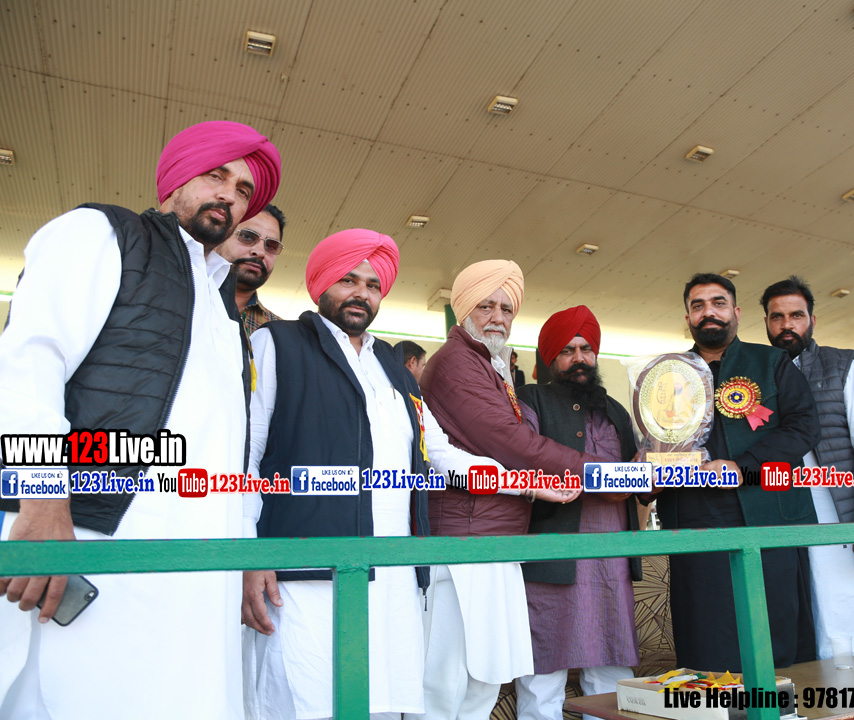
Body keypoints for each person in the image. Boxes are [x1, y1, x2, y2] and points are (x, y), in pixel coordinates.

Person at [0, 120, 281, 720]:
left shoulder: (224, 309)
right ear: (175, 179)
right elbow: (28, 363)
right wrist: (41, 499)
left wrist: (243, 547)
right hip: (100, 537)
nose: (228, 195)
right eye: (215, 175)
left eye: (242, 189)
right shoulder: (103, 234)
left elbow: (229, 447)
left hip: (200, 564)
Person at [241, 229, 501, 720]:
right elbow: (247, 455)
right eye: (348, 280)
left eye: (373, 285)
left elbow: (438, 451)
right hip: (307, 573)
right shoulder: (278, 344)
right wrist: (250, 556)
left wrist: (530, 483)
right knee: (308, 702)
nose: (361, 293)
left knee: (382, 704)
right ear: (321, 284)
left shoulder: (395, 370)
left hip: (394, 577)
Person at [415, 259, 600, 720]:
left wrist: (535, 485)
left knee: (482, 684)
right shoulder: (456, 361)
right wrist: (596, 471)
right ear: (463, 309)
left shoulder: (487, 363)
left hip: (492, 540)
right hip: (463, 543)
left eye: (506, 308)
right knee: (445, 686)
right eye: (486, 306)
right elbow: (510, 442)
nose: (497, 317)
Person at [659, 273, 820, 673]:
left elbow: (803, 427)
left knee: (775, 636)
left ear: (736, 312)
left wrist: (742, 466)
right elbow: (655, 441)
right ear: (687, 318)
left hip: (768, 516)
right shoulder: (669, 374)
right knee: (707, 639)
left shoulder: (772, 362)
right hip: (695, 521)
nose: (708, 312)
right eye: (698, 306)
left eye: (718, 303)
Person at [514, 306, 640, 720]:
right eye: (567, 351)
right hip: (552, 557)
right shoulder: (530, 400)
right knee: (543, 670)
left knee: (611, 667)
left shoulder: (616, 410)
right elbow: (527, 460)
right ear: (550, 359)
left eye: (586, 349)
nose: (579, 359)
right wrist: (603, 479)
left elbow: (641, 481)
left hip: (611, 559)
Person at [760, 276, 854, 659]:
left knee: (844, 628)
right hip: (782, 518)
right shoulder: (757, 375)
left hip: (840, 515)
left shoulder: (841, 364)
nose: (787, 325)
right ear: (766, 323)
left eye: (796, 315)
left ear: (812, 320)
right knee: (797, 623)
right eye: (777, 317)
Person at [215, 203, 286, 334]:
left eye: (271, 246)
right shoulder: (184, 297)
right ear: (219, 239)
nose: (260, 252)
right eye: (247, 237)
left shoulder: (278, 334)